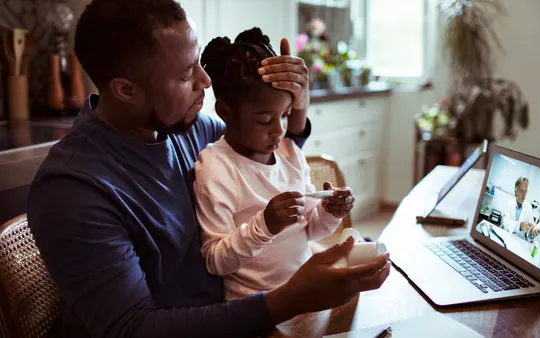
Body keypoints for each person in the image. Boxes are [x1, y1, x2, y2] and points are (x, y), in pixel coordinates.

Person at [26, 1, 390, 337]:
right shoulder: (73, 190)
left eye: (199, 62)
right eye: (186, 75)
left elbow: (261, 158)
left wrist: (296, 109)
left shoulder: (189, 128)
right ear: (126, 90)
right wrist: (289, 299)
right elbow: (132, 329)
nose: (205, 81)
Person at [195, 28, 352, 300]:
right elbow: (215, 260)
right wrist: (264, 226)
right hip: (256, 307)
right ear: (225, 112)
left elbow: (310, 231)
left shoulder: (289, 152)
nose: (279, 130)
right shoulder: (215, 167)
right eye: (264, 120)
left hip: (305, 293)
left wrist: (330, 212)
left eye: (285, 115)